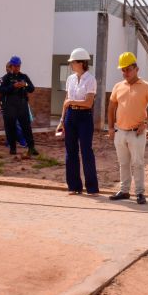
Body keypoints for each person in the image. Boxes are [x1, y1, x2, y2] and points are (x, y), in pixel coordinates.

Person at [107, 52, 148, 205]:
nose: (125, 72)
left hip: (136, 133)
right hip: (120, 131)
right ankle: (124, 191)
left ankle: (139, 193)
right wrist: (110, 127)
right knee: (123, 163)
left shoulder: (146, 87)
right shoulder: (118, 86)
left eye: (128, 69)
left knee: (138, 163)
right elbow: (111, 108)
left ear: (136, 69)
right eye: (123, 70)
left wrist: (146, 123)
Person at [56, 48, 99, 195]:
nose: (70, 65)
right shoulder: (70, 79)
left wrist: (71, 102)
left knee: (86, 151)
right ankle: (74, 186)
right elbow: (65, 101)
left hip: (84, 117)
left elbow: (88, 103)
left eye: (72, 62)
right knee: (70, 151)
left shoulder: (91, 79)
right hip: (70, 115)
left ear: (81, 63)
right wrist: (62, 120)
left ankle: (92, 188)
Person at [0, 56, 38, 156]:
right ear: (11, 66)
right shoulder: (6, 78)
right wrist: (13, 86)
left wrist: (25, 85)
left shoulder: (24, 77)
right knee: (10, 127)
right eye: (15, 66)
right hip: (10, 106)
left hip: (22, 105)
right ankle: (13, 148)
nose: (17, 68)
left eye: (18, 66)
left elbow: (32, 88)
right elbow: (1, 90)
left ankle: (31, 148)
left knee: (26, 126)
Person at [0, 62, 26, 148]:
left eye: (10, 68)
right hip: (6, 105)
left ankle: (20, 140)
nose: (8, 70)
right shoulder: (2, 80)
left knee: (16, 123)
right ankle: (12, 141)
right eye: (7, 68)